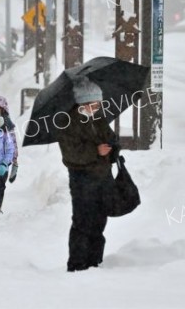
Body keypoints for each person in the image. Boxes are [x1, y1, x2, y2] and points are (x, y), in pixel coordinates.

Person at [55, 77, 120, 272]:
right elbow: (71, 153)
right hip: (82, 179)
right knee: (82, 221)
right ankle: (77, 264)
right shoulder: (68, 121)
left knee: (99, 220)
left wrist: (112, 147)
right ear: (83, 102)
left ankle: (95, 261)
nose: (98, 107)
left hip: (102, 177)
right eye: (94, 104)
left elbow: (111, 138)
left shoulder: (98, 119)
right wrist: (96, 151)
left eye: (99, 103)